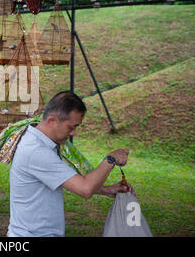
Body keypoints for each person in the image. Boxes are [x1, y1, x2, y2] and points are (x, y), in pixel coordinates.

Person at [7, 91, 134, 237]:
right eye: (71, 127)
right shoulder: (36, 151)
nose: (73, 133)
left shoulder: (40, 142)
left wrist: (107, 190)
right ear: (52, 120)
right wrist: (110, 159)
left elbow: (64, 180)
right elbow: (85, 189)